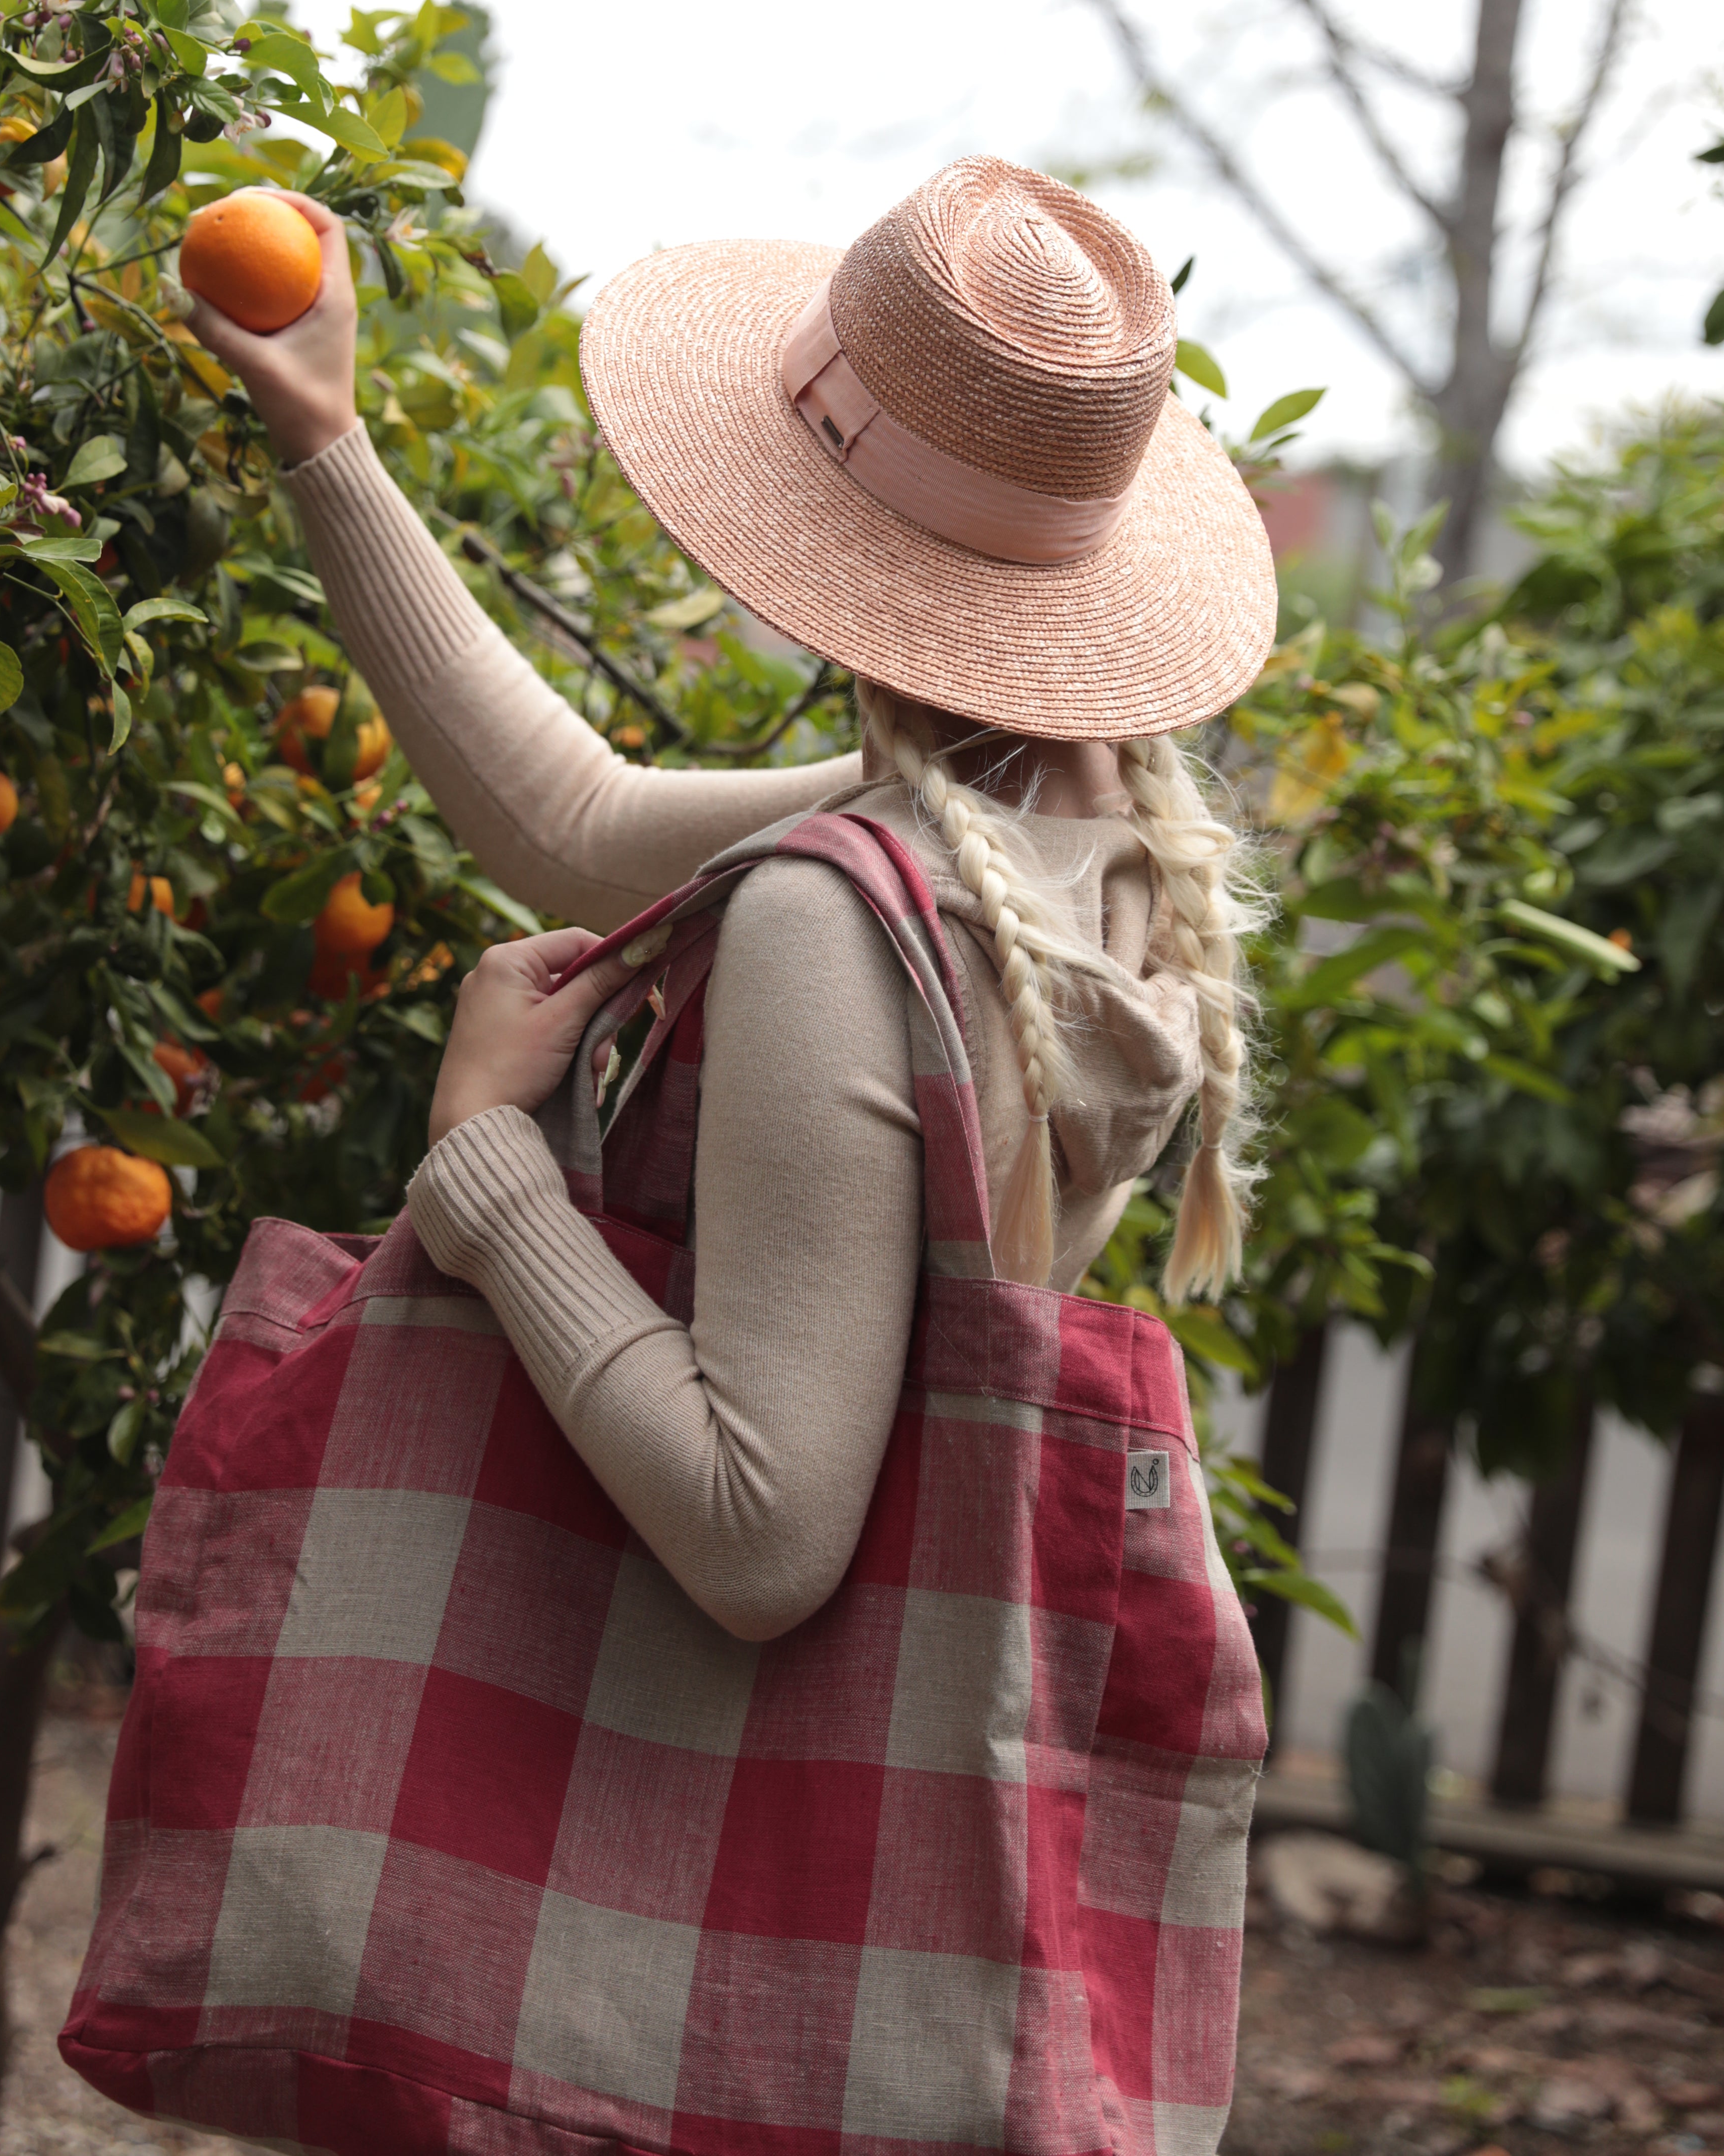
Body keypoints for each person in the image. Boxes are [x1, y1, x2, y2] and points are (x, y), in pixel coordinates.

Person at [179, 153, 1277, 2151]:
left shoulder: (833, 917)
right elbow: (582, 825)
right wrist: (326, 436)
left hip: (683, 1848)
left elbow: (762, 1535)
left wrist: (486, 1170)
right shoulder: (1087, 850)